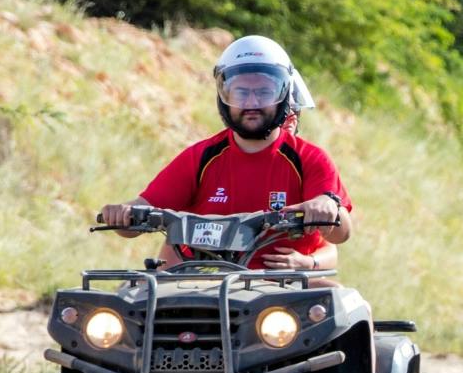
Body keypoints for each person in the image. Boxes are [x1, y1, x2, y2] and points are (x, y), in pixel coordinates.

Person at [97, 36, 351, 271]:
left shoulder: (310, 158)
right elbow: (141, 211)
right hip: (196, 289)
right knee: (123, 310)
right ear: (224, 94)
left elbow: (341, 233)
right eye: (241, 92)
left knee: (338, 306)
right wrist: (123, 212)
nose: (252, 103)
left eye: (264, 92)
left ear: (284, 94)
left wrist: (328, 207)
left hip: (284, 294)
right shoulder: (199, 158)